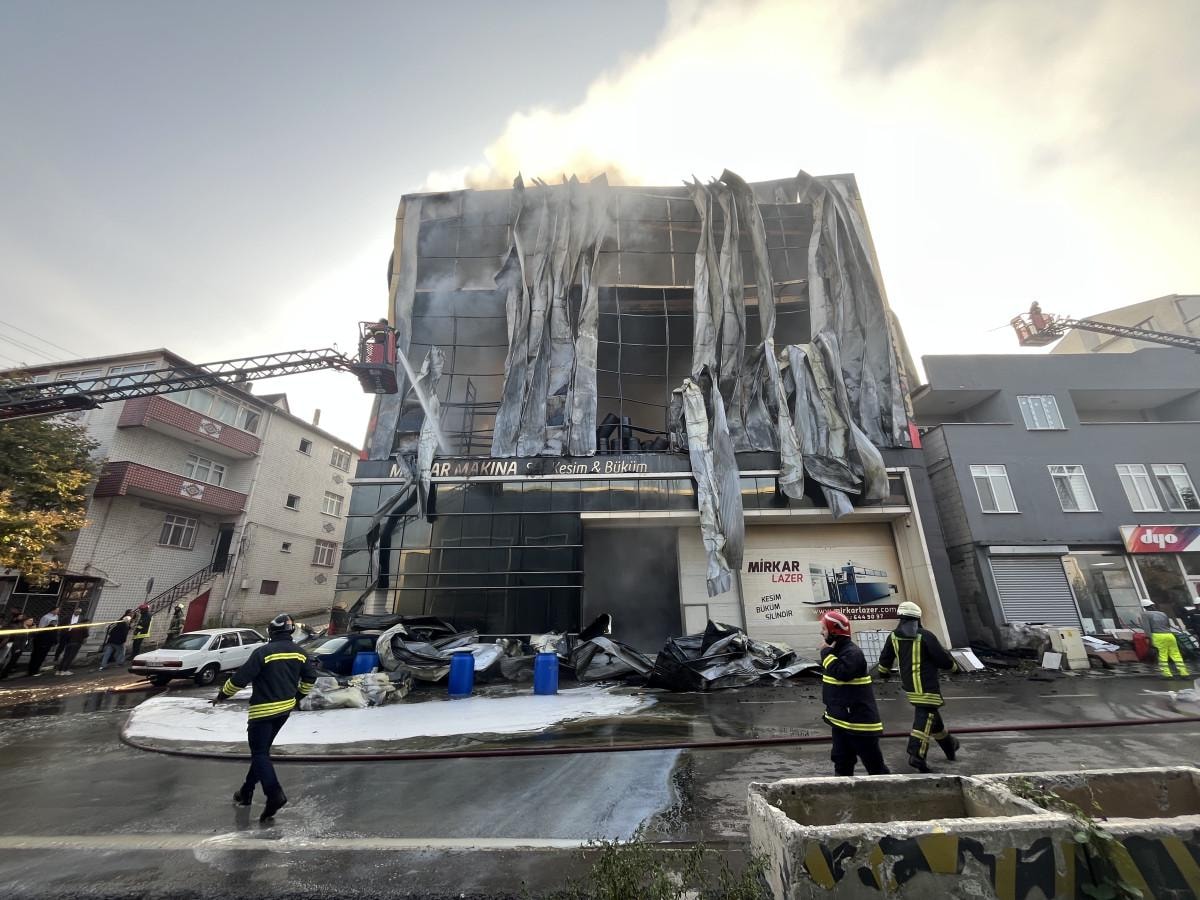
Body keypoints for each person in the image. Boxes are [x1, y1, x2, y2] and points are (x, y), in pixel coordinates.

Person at [213, 613, 318, 821]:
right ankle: (246, 791)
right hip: (284, 711)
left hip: (262, 712)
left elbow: (240, 679)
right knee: (261, 754)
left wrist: (222, 695)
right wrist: (297, 697)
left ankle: (274, 794)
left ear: (271, 632)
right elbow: (310, 678)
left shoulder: (264, 652)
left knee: (259, 753)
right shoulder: (300, 653)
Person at [876, 600, 960, 773]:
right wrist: (954, 668)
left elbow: (885, 660)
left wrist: (883, 673)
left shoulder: (893, 636)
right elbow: (942, 659)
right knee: (924, 719)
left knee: (933, 721)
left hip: (911, 687)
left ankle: (949, 745)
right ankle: (916, 755)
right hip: (927, 687)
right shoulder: (925, 636)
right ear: (918, 618)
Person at [818, 609, 889, 777]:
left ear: (834, 631)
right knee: (841, 763)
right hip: (841, 723)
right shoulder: (837, 652)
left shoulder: (852, 653)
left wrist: (825, 654)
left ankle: (888, 791)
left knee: (875, 768)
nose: (821, 633)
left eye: (824, 629)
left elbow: (842, 673)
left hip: (859, 725)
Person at [1142, 599, 1190, 678]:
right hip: (1169, 635)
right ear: (1153, 605)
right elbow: (1168, 625)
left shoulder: (1145, 614)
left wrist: (1148, 639)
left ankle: (1167, 674)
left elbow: (1147, 628)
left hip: (1158, 636)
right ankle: (1184, 672)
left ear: (1145, 607)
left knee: (1162, 655)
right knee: (1176, 654)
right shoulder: (1162, 613)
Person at [26, 607, 60, 677]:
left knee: (41, 656)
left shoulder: (56, 617)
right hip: (42, 640)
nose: (58, 611)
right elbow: (41, 628)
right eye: (57, 610)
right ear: (52, 610)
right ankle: (32, 671)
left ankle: (35, 670)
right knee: (37, 656)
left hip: (46, 641)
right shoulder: (46, 617)